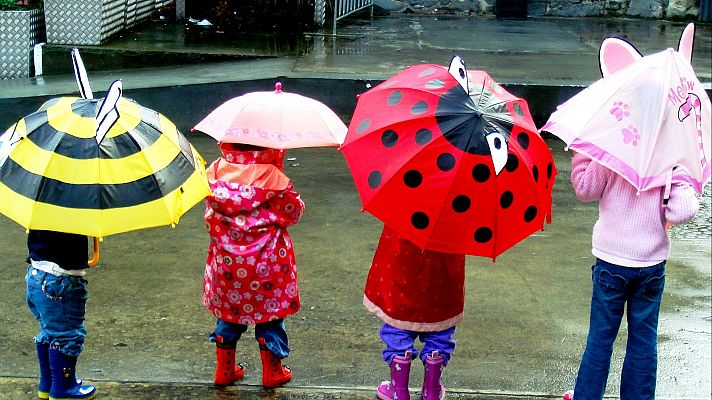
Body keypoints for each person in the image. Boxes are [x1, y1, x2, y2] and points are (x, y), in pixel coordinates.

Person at [564, 152, 700, 400]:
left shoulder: (612, 146)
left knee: (600, 339)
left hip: (611, 262)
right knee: (643, 341)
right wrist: (678, 174)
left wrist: (585, 155)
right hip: (650, 264)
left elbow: (585, 189)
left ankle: (586, 396)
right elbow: (681, 212)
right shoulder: (668, 153)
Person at [202, 142, 304, 388]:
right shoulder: (273, 177)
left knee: (229, 314)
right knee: (269, 316)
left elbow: (211, 214)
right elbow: (294, 213)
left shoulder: (215, 172)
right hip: (268, 264)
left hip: (227, 266)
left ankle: (225, 370)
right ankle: (273, 372)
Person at [364, 225, 466, 400]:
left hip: (403, 257)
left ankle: (398, 391)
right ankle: (432, 391)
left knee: (398, 321)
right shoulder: (456, 207)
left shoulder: (404, 202)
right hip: (445, 256)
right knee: (440, 325)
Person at [25, 230, 97, 400]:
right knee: (66, 334)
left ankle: (49, 383)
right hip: (59, 281)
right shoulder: (72, 208)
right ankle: (64, 387)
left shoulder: (43, 206)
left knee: (50, 330)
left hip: (36, 275)